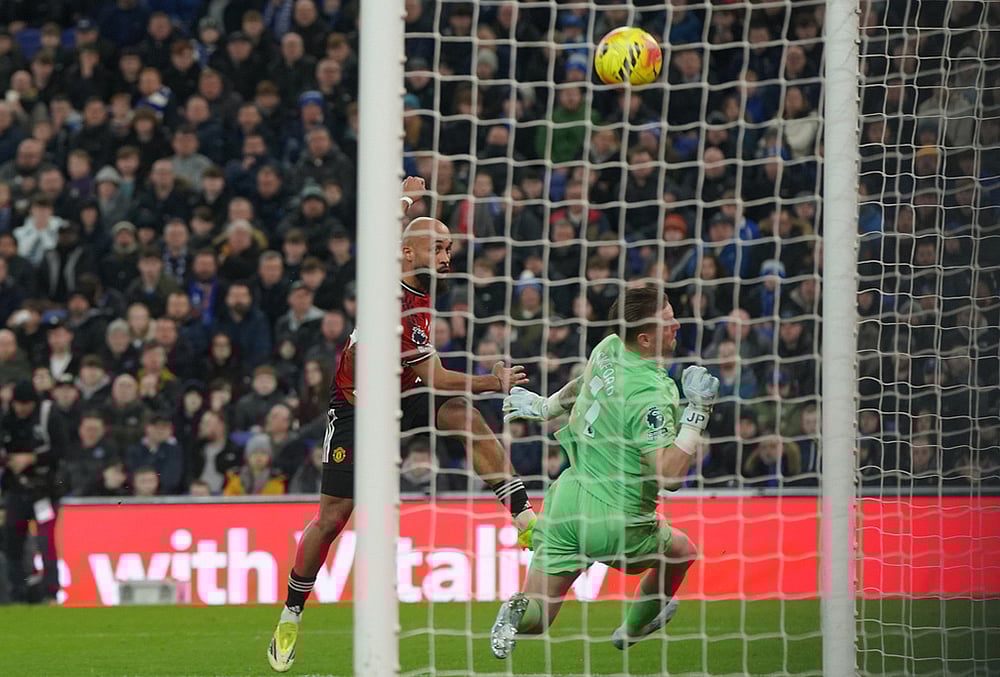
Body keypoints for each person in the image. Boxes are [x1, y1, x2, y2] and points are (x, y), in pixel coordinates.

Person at [267, 178, 536, 671]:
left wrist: (487, 384)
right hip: (356, 408)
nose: (448, 256)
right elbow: (380, 244)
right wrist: (405, 199)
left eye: (450, 248)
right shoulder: (387, 285)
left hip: (403, 393)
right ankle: (291, 611)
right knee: (332, 518)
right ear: (409, 252)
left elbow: (430, 375)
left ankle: (523, 517)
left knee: (461, 414)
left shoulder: (421, 299)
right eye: (438, 247)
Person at [489, 285, 721, 657]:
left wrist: (546, 407)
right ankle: (633, 627)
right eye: (667, 321)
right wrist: (698, 413)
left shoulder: (608, 347)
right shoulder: (651, 393)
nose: (676, 324)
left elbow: (584, 384)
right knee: (680, 552)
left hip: (568, 500)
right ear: (645, 338)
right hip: (618, 517)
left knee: (540, 612)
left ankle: (516, 615)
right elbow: (669, 476)